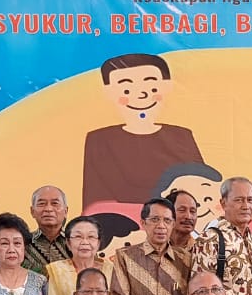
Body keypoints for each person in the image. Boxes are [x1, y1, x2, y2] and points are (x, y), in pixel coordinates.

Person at [81, 54, 205, 213]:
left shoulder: (181, 135)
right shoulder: (100, 139)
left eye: (152, 88)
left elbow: (201, 186)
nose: (141, 95)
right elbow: (96, 200)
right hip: (123, 223)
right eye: (126, 90)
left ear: (167, 86)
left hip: (177, 221)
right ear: (109, 92)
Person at [107, 196, 189, 295]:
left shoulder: (186, 260)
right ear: (143, 223)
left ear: (173, 224)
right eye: (155, 219)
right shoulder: (125, 257)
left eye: (167, 220)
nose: (161, 226)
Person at [191, 178, 252, 295]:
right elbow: (200, 288)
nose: (246, 206)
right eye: (239, 200)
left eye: (250, 200)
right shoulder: (210, 239)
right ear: (223, 203)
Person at [46, 216, 107, 295]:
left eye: (91, 237)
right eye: (78, 237)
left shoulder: (112, 269)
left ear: (98, 243)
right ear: (68, 243)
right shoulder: (57, 271)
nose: (85, 242)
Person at [25, 185, 73, 274]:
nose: (48, 209)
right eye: (42, 204)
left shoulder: (75, 243)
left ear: (66, 211)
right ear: (32, 211)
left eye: (55, 203)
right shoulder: (23, 244)